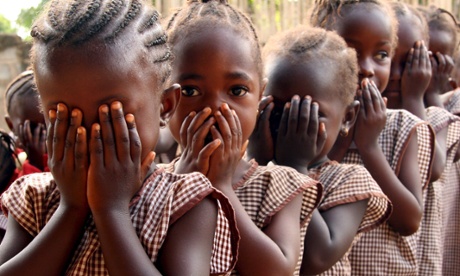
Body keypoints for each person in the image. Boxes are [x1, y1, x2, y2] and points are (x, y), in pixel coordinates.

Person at [0, 0, 239, 275]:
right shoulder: (33, 198)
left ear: (165, 106)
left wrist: (110, 212)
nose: (91, 136)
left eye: (112, 116)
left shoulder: (185, 203)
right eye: (66, 117)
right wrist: (71, 208)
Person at [164, 1, 322, 275]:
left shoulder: (280, 186)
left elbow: (278, 269)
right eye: (190, 91)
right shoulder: (150, 186)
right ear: (164, 101)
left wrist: (221, 186)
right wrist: (185, 184)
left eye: (236, 90)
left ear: (259, 96)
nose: (215, 107)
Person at [250, 26, 392, 275]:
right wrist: (254, 160)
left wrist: (293, 167)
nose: (289, 127)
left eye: (308, 114)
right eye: (277, 110)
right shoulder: (246, 170)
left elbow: (317, 257)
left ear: (348, 117)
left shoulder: (348, 181)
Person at [310, 1, 435, 275]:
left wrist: (369, 146)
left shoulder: (404, 127)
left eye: (381, 54)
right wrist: (340, 138)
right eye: (351, 52)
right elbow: (305, 197)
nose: (366, 68)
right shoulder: (312, 125)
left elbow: (410, 220)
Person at [387, 3, 460, 275]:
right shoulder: (367, 115)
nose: (398, 75)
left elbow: (434, 166)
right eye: (388, 57)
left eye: (411, 63)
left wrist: (420, 96)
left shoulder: (434, 111)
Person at [4, 70, 48, 176]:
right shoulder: (9, 164)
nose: (44, 136)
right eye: (32, 129)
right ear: (11, 125)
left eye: (50, 125)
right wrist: (34, 162)